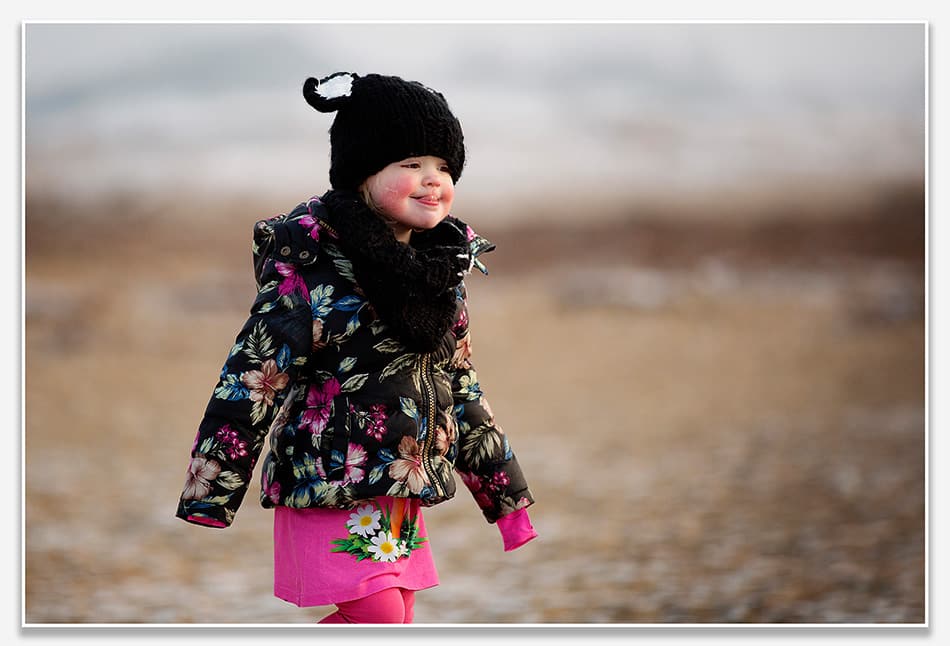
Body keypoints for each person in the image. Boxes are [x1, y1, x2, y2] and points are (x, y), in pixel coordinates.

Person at [176, 71, 537, 624]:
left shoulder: (439, 275)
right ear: (363, 173)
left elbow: (462, 389)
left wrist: (505, 500)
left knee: (397, 617)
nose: (432, 179)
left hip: (400, 487)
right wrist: (213, 486)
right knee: (380, 622)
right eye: (411, 164)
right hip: (327, 480)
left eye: (443, 167)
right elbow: (253, 369)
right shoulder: (313, 264)